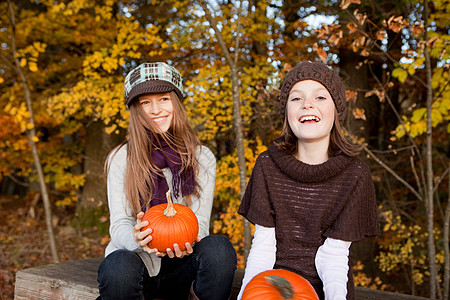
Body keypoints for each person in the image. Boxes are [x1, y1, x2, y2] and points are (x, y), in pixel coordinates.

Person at [237, 61, 380, 300]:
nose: (308, 105)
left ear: (337, 110)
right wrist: (246, 295)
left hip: (325, 288)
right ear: (287, 113)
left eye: (320, 97)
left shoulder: (355, 175)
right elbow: (263, 246)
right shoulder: (267, 165)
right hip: (273, 286)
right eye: (296, 98)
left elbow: (333, 255)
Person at [97, 62, 237, 300]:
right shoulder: (121, 158)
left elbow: (200, 222)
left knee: (219, 249)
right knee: (118, 266)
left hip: (183, 268)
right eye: (145, 102)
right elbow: (119, 223)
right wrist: (137, 237)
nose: (155, 109)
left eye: (163, 99)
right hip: (137, 265)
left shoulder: (201, 157)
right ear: (136, 109)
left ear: (176, 102)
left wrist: (186, 241)